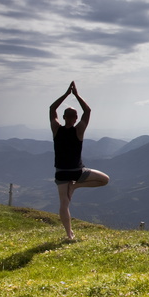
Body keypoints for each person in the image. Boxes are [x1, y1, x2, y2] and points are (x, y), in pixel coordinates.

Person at [49, 81, 109, 239]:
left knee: (64, 204)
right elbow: (87, 110)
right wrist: (76, 95)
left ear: (63, 117)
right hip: (77, 172)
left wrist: (66, 94)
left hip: (61, 172)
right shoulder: (79, 130)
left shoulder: (56, 129)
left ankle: (69, 234)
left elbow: (52, 109)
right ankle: (76, 187)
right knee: (104, 179)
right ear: (76, 118)